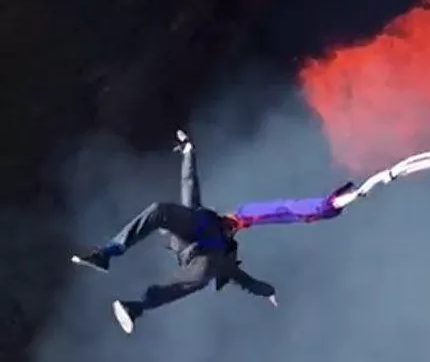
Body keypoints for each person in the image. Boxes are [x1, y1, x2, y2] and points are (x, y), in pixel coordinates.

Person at [71, 129, 356, 334]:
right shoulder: (203, 221)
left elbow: (245, 278)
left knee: (200, 275)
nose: (235, 229)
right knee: (163, 211)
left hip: (202, 258)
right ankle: (106, 253)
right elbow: (189, 185)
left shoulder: (225, 255)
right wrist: (188, 153)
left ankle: (136, 307)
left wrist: (267, 290)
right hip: (192, 237)